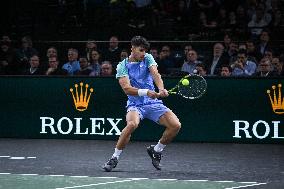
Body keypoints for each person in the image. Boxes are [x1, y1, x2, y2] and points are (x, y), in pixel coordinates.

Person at [102, 36, 181, 172]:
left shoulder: (148, 58)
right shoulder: (122, 66)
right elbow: (126, 88)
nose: (143, 53)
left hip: (153, 103)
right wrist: (146, 92)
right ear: (132, 48)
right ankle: (114, 158)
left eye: (145, 51)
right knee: (132, 124)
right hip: (135, 105)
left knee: (175, 125)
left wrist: (161, 88)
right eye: (141, 50)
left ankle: (156, 150)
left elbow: (155, 74)